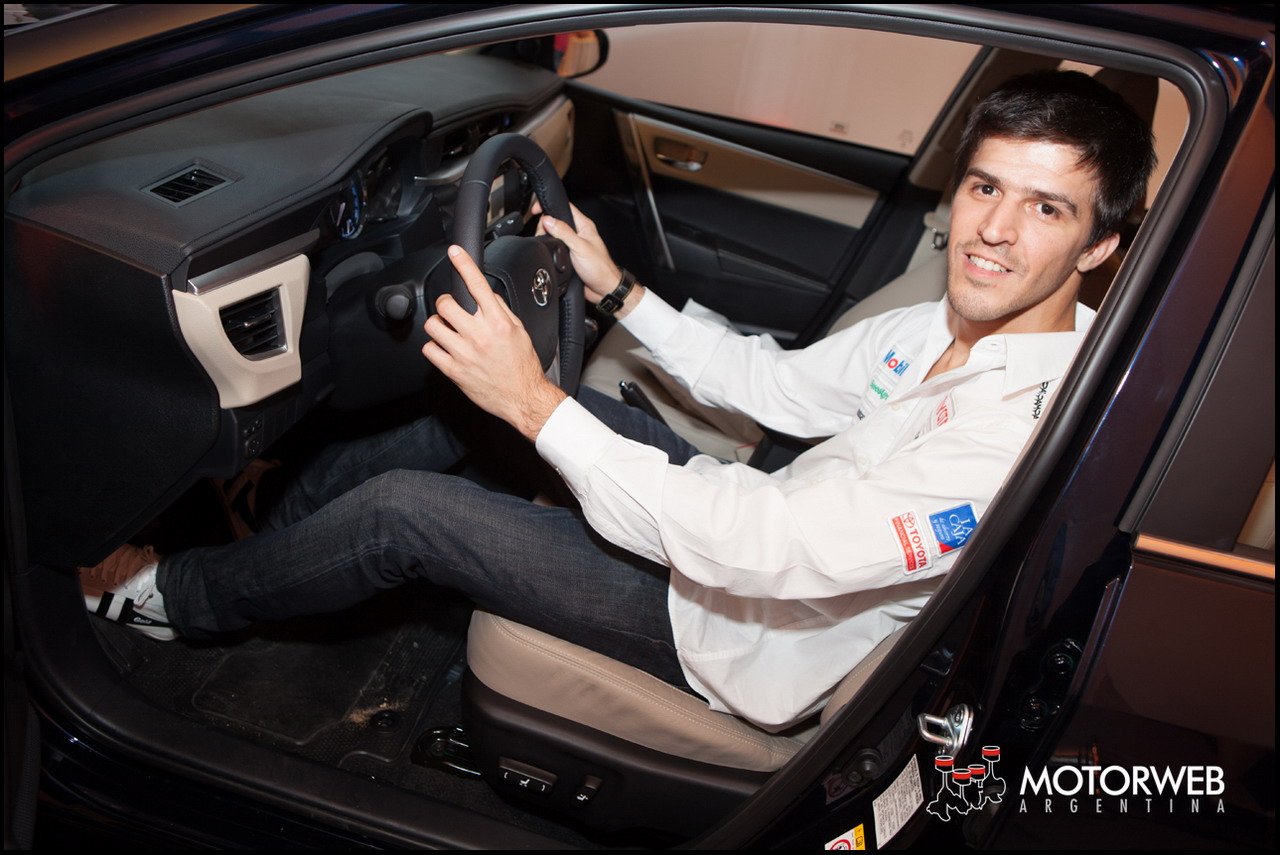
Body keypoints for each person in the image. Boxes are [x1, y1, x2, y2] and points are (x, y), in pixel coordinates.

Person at [82, 71, 1155, 730]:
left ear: (1099, 245)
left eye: (1045, 208)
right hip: (743, 517)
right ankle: (275, 532)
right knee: (467, 412)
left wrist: (537, 406)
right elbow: (776, 384)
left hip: (734, 633)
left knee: (408, 510)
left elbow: (763, 554)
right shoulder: (937, 324)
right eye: (984, 187)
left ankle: (174, 598)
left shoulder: (1014, 436)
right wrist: (620, 292)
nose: (992, 231)